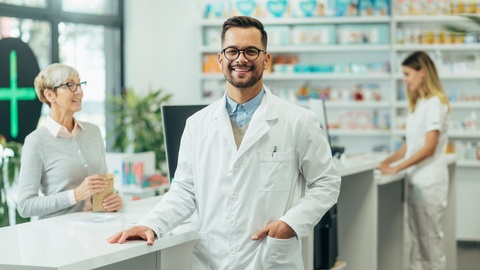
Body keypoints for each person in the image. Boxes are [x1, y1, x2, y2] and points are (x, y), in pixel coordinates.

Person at [108, 16, 341, 269]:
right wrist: (151, 223)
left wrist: (290, 225)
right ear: (220, 59)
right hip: (213, 259)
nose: (241, 59)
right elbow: (185, 191)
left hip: (270, 258)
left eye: (251, 51)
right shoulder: (197, 124)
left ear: (266, 59)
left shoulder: (298, 121)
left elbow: (326, 182)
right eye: (232, 51)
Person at [17, 63, 123, 219]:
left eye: (80, 84)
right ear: (49, 95)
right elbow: (25, 206)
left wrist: (113, 199)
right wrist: (75, 195)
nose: (79, 91)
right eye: (70, 85)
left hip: (99, 228)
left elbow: (104, 186)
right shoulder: (36, 141)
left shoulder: (93, 132)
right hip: (58, 236)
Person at [378, 51, 451, 270]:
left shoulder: (435, 103)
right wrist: (385, 163)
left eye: (408, 74)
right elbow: (410, 145)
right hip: (417, 181)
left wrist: (396, 168)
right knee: (418, 242)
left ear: (422, 72)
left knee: (430, 243)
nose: (405, 79)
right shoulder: (420, 103)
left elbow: (429, 148)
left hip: (429, 182)